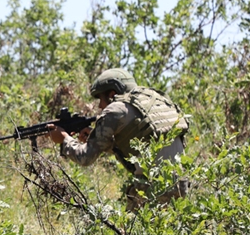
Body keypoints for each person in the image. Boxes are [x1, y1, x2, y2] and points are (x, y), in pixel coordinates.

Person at [48, 68, 189, 211]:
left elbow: (85, 158)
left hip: (151, 189)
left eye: (100, 99)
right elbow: (141, 141)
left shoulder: (115, 109)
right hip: (180, 185)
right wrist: (101, 140)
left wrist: (64, 139)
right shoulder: (155, 101)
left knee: (131, 233)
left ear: (112, 94)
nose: (100, 106)